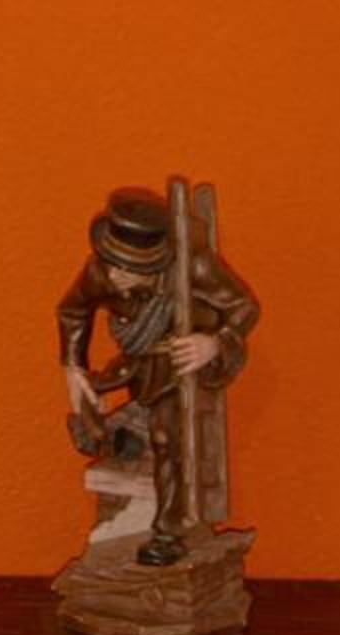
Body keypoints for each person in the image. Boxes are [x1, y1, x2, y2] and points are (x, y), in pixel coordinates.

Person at [56, 187, 259, 567]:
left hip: (179, 367)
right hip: (137, 364)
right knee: (94, 415)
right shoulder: (101, 272)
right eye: (110, 262)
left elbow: (243, 307)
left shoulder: (195, 268)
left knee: (168, 435)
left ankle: (168, 530)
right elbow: (73, 311)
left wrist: (214, 343)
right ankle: (121, 438)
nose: (113, 274)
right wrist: (73, 368)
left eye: (126, 267)